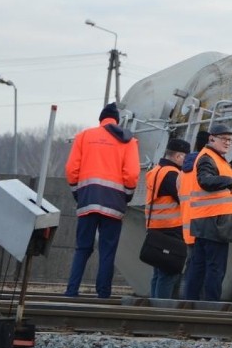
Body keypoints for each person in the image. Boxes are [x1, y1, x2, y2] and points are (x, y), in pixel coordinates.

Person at [64, 102, 140, 298]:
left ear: (100, 120)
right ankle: (103, 294)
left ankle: (71, 291)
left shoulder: (83, 137)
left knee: (82, 248)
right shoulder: (128, 141)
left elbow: (72, 169)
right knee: (107, 251)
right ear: (117, 121)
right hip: (114, 203)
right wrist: (127, 195)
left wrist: (77, 192)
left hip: (87, 199)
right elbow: (131, 174)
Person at [184, 124, 232, 301]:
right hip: (214, 223)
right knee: (215, 268)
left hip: (208, 221)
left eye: (230, 140)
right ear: (212, 139)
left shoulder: (215, 158)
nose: (228, 143)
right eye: (224, 139)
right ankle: (211, 306)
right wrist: (229, 182)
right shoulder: (208, 158)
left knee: (199, 266)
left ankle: (191, 304)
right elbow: (205, 181)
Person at [145, 137, 191, 299]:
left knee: (158, 274)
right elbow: (184, 199)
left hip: (156, 227)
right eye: (185, 157)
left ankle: (154, 308)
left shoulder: (156, 171)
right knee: (169, 274)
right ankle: (161, 311)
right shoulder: (173, 174)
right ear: (178, 156)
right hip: (171, 229)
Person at [177, 129, 210, 299]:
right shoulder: (207, 166)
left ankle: (187, 302)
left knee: (190, 266)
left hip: (187, 226)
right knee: (202, 269)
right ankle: (197, 305)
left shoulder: (182, 171)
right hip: (203, 227)